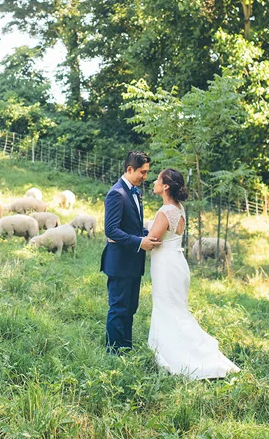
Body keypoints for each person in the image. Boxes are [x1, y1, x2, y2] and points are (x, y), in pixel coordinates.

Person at [146, 167, 240, 378]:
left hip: (166, 266)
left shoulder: (165, 211)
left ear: (166, 186)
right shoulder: (179, 208)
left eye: (157, 180)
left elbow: (152, 241)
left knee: (167, 308)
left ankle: (180, 355)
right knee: (176, 309)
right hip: (177, 263)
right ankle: (180, 348)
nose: (154, 182)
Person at [101, 150, 162, 353]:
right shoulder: (116, 193)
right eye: (142, 172)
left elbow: (132, 227)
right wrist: (139, 242)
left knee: (130, 308)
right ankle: (113, 352)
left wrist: (148, 234)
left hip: (134, 262)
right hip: (120, 263)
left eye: (146, 173)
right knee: (118, 308)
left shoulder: (135, 192)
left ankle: (125, 347)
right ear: (129, 169)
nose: (145, 177)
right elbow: (111, 229)